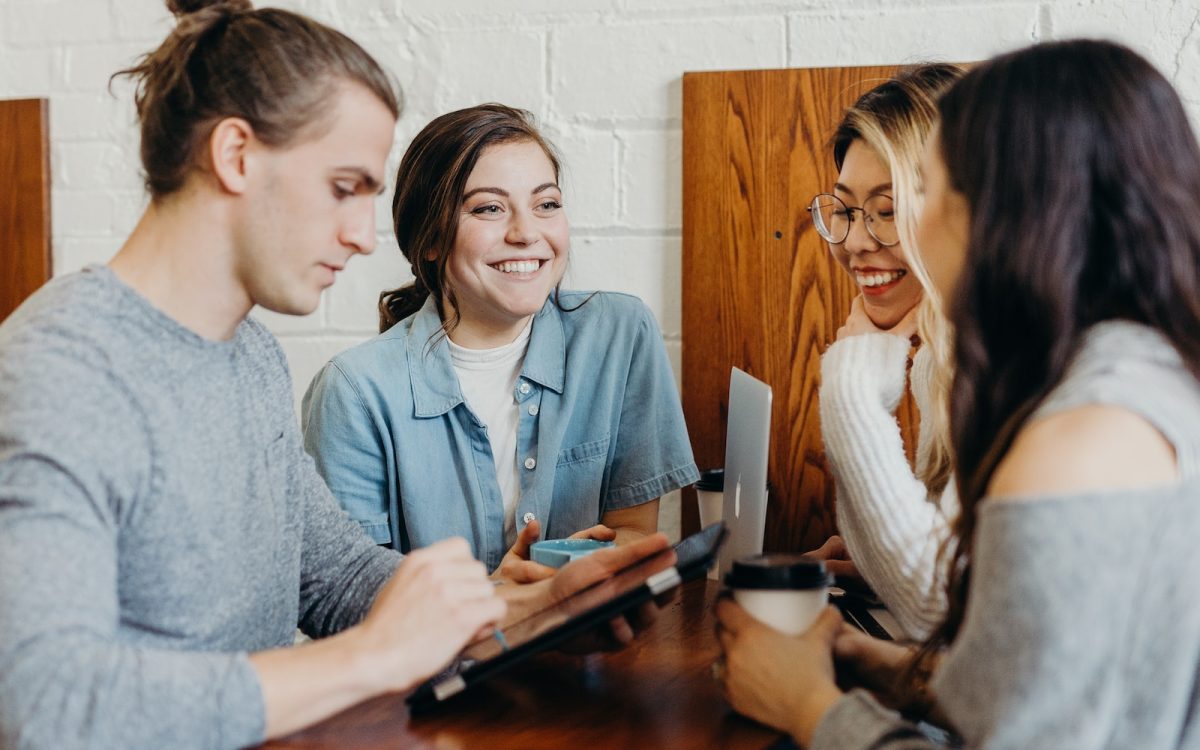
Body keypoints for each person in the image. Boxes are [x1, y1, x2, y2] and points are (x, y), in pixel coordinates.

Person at [0, 3, 669, 747]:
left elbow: (335, 578)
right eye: (344, 187)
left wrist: (523, 614)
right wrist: (372, 656)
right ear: (237, 156)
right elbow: (44, 702)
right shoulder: (57, 371)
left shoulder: (247, 355)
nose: (359, 234)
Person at [716, 39, 1200, 748]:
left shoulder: (1078, 441)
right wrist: (873, 664)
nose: (879, 235)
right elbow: (1038, 689)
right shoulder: (1142, 378)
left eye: (930, 188)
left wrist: (810, 708)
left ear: (1012, 209)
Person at [302, 103, 699, 580]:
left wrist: (579, 569)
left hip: (588, 645)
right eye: (489, 208)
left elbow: (634, 532)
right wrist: (500, 600)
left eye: (546, 204)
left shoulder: (619, 334)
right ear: (429, 239)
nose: (527, 233)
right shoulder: (353, 392)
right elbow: (352, 597)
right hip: (443, 655)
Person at [806, 64, 962, 639]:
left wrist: (850, 386)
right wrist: (877, 561)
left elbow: (938, 609)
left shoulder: (1013, 363)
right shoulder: (941, 356)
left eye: (888, 210)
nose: (854, 242)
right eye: (844, 210)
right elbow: (955, 586)